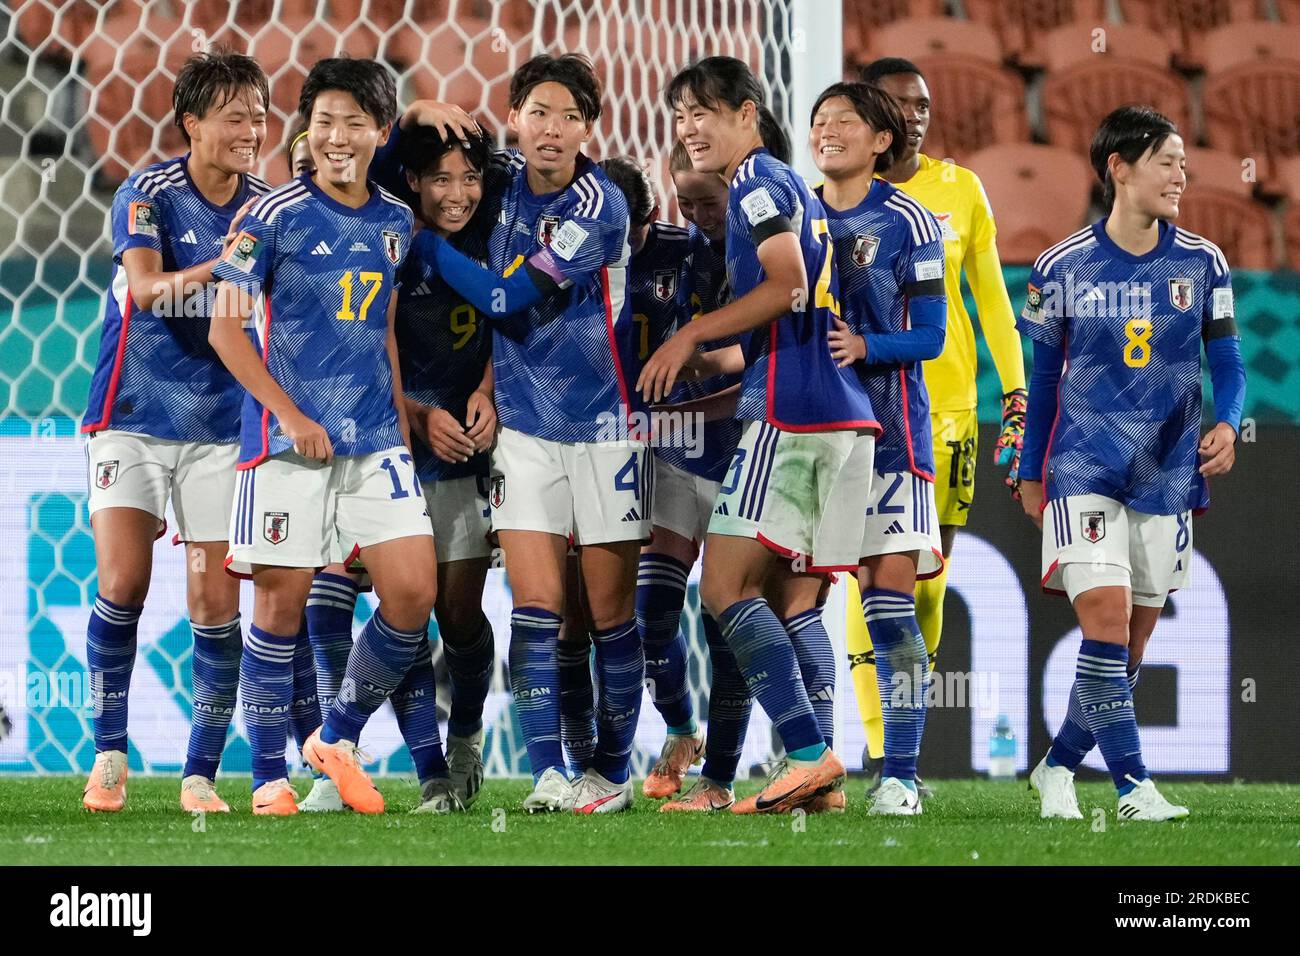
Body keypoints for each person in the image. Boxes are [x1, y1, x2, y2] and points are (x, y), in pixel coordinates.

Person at [640, 57, 878, 815]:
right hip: (833, 414)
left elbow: (787, 287)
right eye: (680, 117)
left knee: (722, 589)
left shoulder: (754, 184)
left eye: (704, 113)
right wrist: (715, 359)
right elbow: (791, 314)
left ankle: (810, 754)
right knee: (775, 601)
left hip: (793, 414)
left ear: (747, 113)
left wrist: (690, 337)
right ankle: (799, 784)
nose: (690, 129)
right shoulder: (789, 188)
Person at [412, 54, 646, 814]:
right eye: (538, 112)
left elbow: (509, 297)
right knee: (536, 606)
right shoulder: (499, 176)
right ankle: (548, 772)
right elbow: (402, 162)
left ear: (590, 129)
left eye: (570, 116)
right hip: (523, 430)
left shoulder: (598, 204)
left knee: (610, 615)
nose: (552, 129)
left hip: (607, 426)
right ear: (513, 116)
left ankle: (609, 774)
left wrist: (430, 249)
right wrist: (423, 111)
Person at [209, 57, 433, 816]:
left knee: (412, 593)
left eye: (354, 123)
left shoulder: (398, 222)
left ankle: (335, 737)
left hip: (374, 440)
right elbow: (226, 330)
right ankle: (267, 778)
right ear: (307, 129)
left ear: (379, 132)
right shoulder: (268, 217)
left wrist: (400, 425)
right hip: (283, 445)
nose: (338, 137)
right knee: (279, 610)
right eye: (324, 121)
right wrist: (292, 415)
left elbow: (385, 333)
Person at [1018, 106, 1245, 822]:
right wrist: (1031, 472)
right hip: (1084, 465)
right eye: (1166, 160)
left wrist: (1231, 424)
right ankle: (1132, 788)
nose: (1182, 174)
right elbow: (1045, 381)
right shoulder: (1060, 267)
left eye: (1184, 162)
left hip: (1169, 470)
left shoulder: (1203, 262)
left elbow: (1231, 365)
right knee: (1108, 621)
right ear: (1119, 166)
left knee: (1133, 640)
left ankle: (1057, 766)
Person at [80, 48, 271, 815]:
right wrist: (221, 269)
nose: (251, 130)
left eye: (259, 116)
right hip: (131, 416)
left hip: (224, 425)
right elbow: (152, 289)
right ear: (191, 123)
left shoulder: (268, 207)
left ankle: (199, 775)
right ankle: (109, 755)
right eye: (234, 117)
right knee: (122, 584)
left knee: (214, 605)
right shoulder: (146, 192)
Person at [845, 58, 1026, 787]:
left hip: (945, 414)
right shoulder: (842, 195)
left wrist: (1016, 396)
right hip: (858, 410)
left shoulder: (962, 190)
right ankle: (884, 750)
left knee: (925, 582)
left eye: (923, 105)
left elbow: (994, 303)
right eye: (898, 103)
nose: (915, 115)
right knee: (866, 578)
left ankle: (904, 736)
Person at [811, 81, 947, 814]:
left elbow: (932, 336)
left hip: (890, 439)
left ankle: (898, 774)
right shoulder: (792, 210)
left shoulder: (910, 222)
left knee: (889, 611)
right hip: (806, 440)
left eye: (846, 122)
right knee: (794, 607)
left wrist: (866, 343)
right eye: (820, 121)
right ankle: (808, 763)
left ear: (881, 141)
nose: (829, 131)